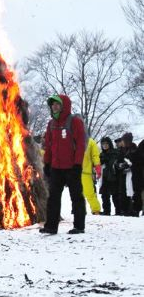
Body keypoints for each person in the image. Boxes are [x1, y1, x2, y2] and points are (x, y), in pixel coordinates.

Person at [40, 94, 87, 234]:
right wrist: (47, 164)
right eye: (52, 104)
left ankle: (79, 226)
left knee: (76, 197)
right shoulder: (51, 124)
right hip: (56, 167)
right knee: (53, 197)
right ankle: (51, 226)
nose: (54, 106)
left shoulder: (75, 122)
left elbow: (80, 145)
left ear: (64, 105)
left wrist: (78, 164)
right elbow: (48, 146)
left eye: (57, 104)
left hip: (72, 167)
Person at [98, 137, 123, 215]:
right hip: (104, 176)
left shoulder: (115, 152)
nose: (104, 145)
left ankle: (118, 211)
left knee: (115, 196)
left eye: (106, 144)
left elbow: (117, 163)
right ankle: (106, 211)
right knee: (104, 195)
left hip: (114, 177)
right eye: (103, 144)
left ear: (109, 144)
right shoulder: (101, 154)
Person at [80, 137, 102, 215]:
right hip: (74, 171)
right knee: (76, 193)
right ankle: (79, 210)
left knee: (89, 193)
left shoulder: (90, 142)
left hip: (86, 172)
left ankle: (96, 210)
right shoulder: (72, 138)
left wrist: (97, 167)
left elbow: (95, 156)